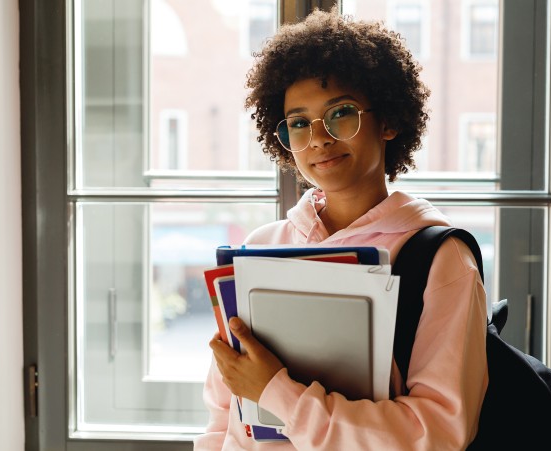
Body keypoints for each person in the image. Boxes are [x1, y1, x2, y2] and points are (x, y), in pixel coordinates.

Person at [196, 9, 488, 450]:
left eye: (341, 113)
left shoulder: (440, 259)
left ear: (388, 120)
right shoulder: (261, 247)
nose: (318, 138)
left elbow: (438, 432)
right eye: (298, 123)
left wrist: (277, 391)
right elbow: (224, 411)